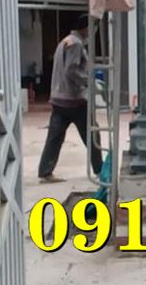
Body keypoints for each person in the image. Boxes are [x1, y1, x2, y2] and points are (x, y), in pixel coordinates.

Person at [38, 14, 102, 182]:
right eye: (93, 27)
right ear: (86, 28)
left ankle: (45, 171)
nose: (94, 31)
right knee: (93, 135)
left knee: (54, 138)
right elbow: (71, 70)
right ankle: (100, 170)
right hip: (74, 100)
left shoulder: (65, 41)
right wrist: (88, 82)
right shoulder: (76, 44)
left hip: (59, 99)